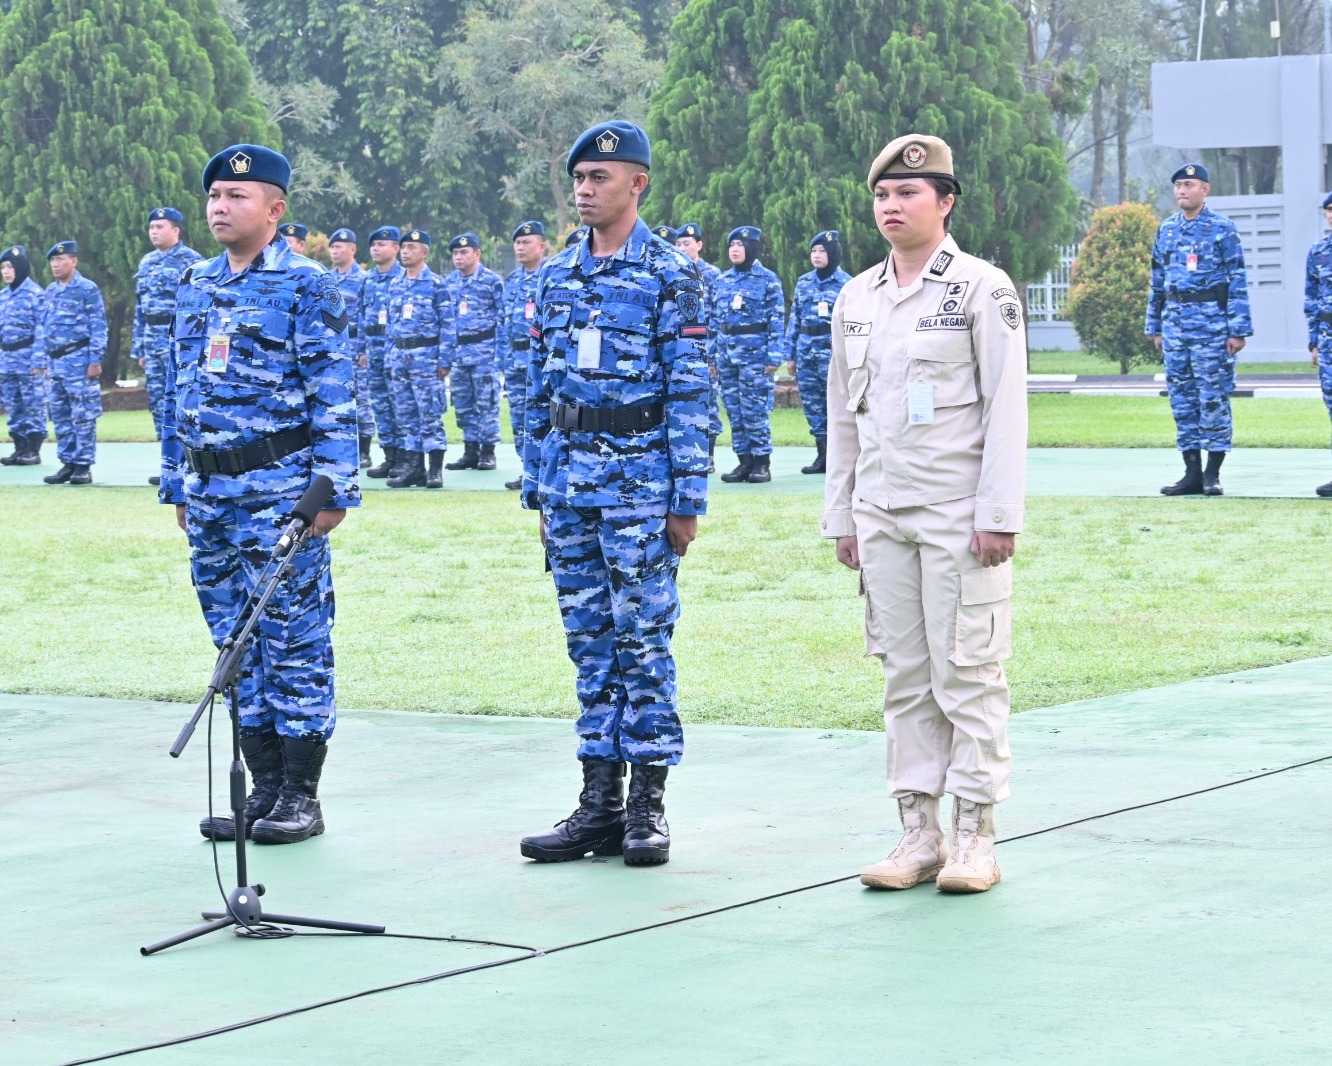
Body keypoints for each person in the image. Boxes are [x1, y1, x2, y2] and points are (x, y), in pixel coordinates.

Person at [823, 134, 1027, 895]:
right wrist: (841, 513)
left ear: (945, 202)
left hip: (956, 512)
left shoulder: (981, 288)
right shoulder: (856, 297)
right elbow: (845, 413)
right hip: (882, 512)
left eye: (908, 194)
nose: (891, 206)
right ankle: (918, 832)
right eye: (881, 195)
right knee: (904, 675)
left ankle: (977, 834)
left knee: (967, 672)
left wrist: (999, 513)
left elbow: (1007, 407)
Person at [519, 120, 709, 867]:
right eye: (580, 179)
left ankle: (647, 806)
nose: (585, 189)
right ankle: (597, 803)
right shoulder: (555, 276)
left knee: (642, 643)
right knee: (589, 646)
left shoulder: (672, 274)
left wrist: (685, 498)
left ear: (639, 183)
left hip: (638, 487)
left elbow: (691, 394)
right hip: (569, 488)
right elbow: (538, 390)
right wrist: (537, 491)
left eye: (601, 178)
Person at [160, 143, 359, 845]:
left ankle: (301, 797)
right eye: (214, 195)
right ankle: (264, 789)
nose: (221, 207)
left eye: (238, 197)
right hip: (210, 494)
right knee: (234, 643)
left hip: (280, 494)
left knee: (294, 639)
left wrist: (332, 490)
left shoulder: (306, 287)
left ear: (275, 210)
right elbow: (178, 388)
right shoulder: (195, 283)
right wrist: (174, 480)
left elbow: (333, 395)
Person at [1146, 162, 1253, 496]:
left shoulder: (1222, 228)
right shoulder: (1166, 229)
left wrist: (1238, 330)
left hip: (1212, 325)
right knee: (1182, 399)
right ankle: (1191, 472)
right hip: (1175, 324)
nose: (1182, 190)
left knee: (1213, 397)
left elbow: (1237, 280)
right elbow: (1158, 281)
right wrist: (1155, 326)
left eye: (1189, 184)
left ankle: (1213, 474)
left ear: (1204, 189)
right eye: (1178, 184)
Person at [131, 208, 203, 484]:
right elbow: (140, 308)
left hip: (179, 340)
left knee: (184, 401)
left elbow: (199, 307)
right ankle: (167, 466)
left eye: (160, 226)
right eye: (151, 227)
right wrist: (139, 347)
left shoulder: (192, 261)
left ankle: (189, 463)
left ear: (176, 230)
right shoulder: (146, 262)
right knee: (157, 404)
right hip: (152, 339)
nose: (154, 231)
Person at [712, 225, 785, 483]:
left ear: (752, 248)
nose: (734, 249)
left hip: (756, 356)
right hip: (727, 356)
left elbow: (777, 320)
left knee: (754, 410)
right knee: (733, 410)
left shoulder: (767, 280)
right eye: (731, 245)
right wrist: (712, 358)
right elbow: (714, 322)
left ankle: (761, 462)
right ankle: (743, 461)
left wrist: (774, 357)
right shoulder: (722, 281)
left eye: (740, 245)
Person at [385, 228, 452, 488]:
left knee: (430, 413)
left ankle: (435, 469)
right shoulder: (396, 284)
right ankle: (414, 468)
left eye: (411, 248)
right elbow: (391, 325)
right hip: (400, 357)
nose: (405, 251)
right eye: (403, 247)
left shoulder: (436, 284)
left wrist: (445, 360)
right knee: (406, 415)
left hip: (427, 359)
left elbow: (448, 325)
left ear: (424, 252)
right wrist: (390, 357)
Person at [39, 241, 107, 486]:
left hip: (79, 362)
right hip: (55, 363)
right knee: (60, 416)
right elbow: (45, 328)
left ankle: (83, 466)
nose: (56, 265)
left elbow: (98, 326)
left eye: (61, 260)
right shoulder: (51, 291)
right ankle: (67, 463)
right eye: (53, 261)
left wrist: (95, 360)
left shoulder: (86, 288)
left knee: (83, 416)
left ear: (74, 261)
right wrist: (45, 362)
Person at [785, 230, 851, 474]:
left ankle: (840, 456)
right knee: (813, 406)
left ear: (833, 253)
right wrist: (790, 355)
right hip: (806, 351)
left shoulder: (846, 284)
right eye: (813, 251)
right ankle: (822, 454)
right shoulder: (804, 282)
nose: (816, 255)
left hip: (832, 353)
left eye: (822, 251)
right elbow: (795, 319)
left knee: (837, 404)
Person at [442, 233, 503, 472]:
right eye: (455, 253)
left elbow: (502, 318)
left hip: (484, 352)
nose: (458, 257)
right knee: (463, 404)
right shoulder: (449, 283)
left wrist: (499, 355)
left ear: (477, 253)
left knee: (486, 403)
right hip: (458, 354)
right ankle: (470, 451)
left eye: (464, 252)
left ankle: (488, 452)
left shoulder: (491, 281)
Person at [499, 220, 548, 490]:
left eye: (526, 242)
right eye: (517, 243)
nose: (520, 247)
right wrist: (501, 361)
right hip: (515, 360)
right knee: (519, 417)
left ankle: (547, 470)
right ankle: (527, 470)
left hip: (541, 360)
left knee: (546, 415)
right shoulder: (513, 279)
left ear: (542, 246)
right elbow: (502, 325)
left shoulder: (551, 275)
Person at [674, 222, 723, 472]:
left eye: (687, 243)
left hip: (706, 348)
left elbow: (716, 317)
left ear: (699, 245)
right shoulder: (674, 272)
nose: (681, 247)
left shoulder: (712, 275)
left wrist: (712, 356)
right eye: (678, 243)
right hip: (679, 349)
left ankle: (710, 454)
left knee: (708, 401)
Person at [359, 225, 406, 479]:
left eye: (382, 244)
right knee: (380, 406)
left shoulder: (402, 279)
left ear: (396, 249)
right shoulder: (367, 279)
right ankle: (389, 456)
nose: (376, 249)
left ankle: (405, 458)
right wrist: (361, 350)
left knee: (399, 405)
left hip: (395, 352)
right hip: (373, 352)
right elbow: (361, 317)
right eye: (373, 245)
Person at [0, 246, 48, 467]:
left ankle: (33, 449)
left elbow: (42, 329)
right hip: (7, 359)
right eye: (2, 267)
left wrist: (39, 361)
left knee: (33, 404)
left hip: (28, 358)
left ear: (20, 267)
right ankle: (19, 448)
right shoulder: (2, 296)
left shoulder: (35, 294)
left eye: (10, 266)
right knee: (13, 404)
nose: (6, 271)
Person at [328, 227, 371, 466]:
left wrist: (363, 348)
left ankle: (364, 451)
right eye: (332, 247)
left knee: (361, 399)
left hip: (355, 343)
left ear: (352, 249)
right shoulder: (327, 278)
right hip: (333, 344)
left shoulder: (364, 279)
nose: (335, 252)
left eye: (339, 247)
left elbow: (366, 315)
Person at [1307, 193, 1332, 497]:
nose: (1331, 215)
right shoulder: (1319, 252)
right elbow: (1311, 299)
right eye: (1328, 210)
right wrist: (1313, 340)